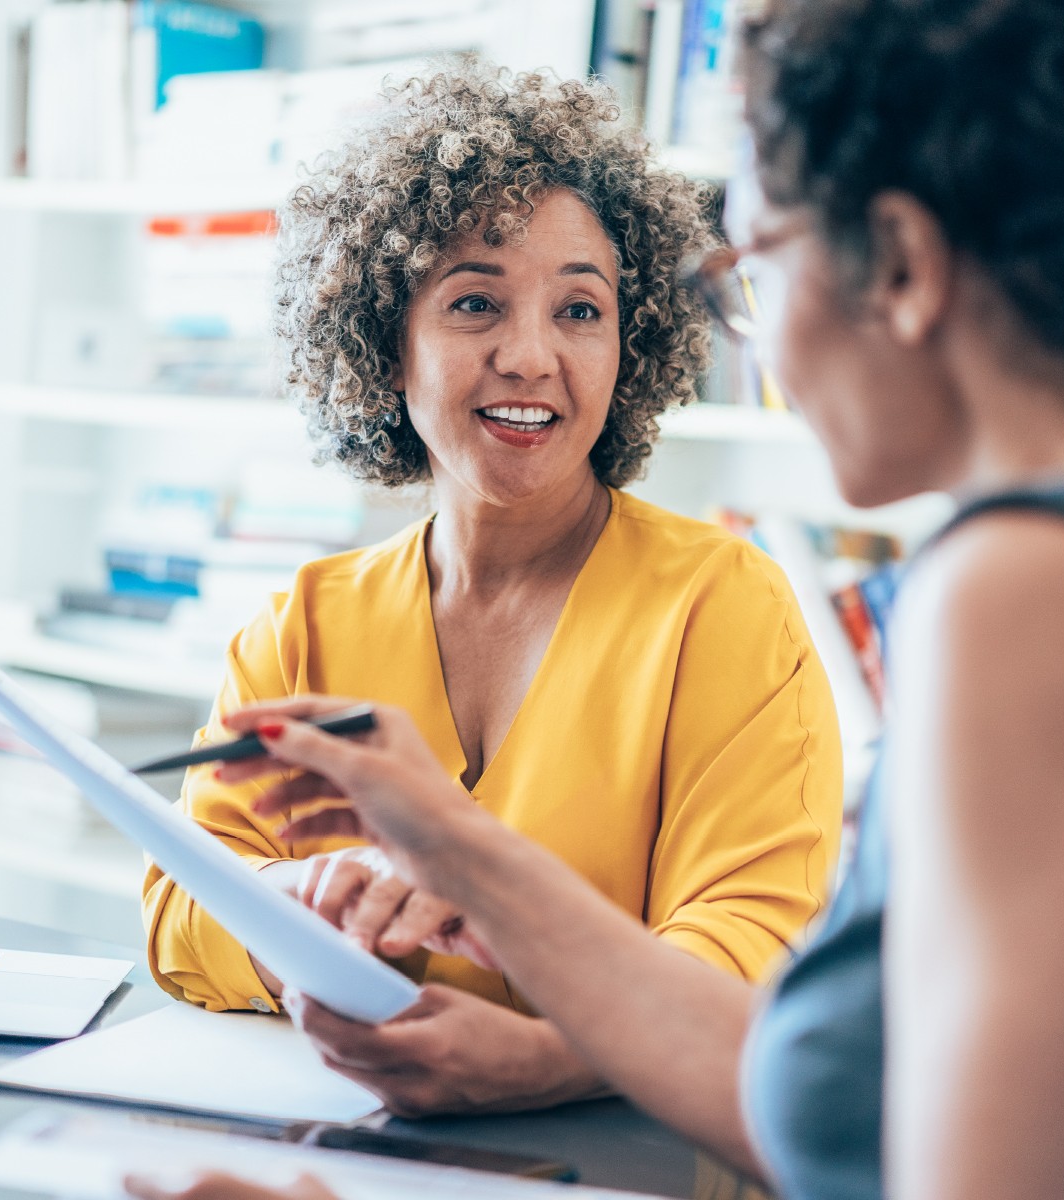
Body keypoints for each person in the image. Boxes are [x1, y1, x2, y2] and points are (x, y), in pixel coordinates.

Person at [128, 1, 1064, 1198]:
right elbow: (871, 1110)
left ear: (898, 264)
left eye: (755, 267)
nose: (759, 335)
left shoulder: (1028, 591)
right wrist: (460, 851)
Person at [141, 62, 844, 1118]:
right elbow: (177, 913)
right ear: (386, 344)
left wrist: (557, 1056)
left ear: (631, 344)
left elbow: (751, 939)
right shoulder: (298, 628)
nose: (531, 356)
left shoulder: (722, 606)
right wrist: (290, 911)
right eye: (476, 302)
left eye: (579, 309)